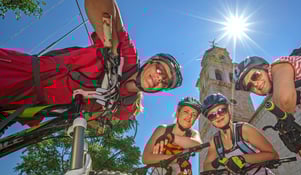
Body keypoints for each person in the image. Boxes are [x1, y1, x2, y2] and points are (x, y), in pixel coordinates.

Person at [0, 0, 182, 126]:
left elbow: (99, 122)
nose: (159, 77)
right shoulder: (127, 56)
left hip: (32, 110)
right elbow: (110, 17)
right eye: (159, 69)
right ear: (149, 62)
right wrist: (112, 43)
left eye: (164, 81)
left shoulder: (127, 108)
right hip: (25, 73)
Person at [202, 93, 300, 175]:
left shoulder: (244, 129)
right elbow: (206, 166)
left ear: (229, 109)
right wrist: (218, 161)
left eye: (221, 110)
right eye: (212, 115)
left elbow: (273, 154)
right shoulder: (215, 141)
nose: (218, 116)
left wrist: (242, 158)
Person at [142, 97, 203, 175]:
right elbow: (146, 158)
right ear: (178, 112)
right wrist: (176, 160)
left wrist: (172, 138)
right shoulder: (163, 129)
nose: (189, 117)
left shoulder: (193, 134)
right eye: (186, 112)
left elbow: (198, 146)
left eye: (193, 115)